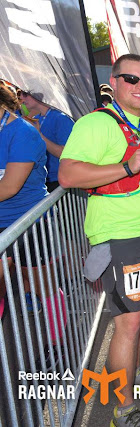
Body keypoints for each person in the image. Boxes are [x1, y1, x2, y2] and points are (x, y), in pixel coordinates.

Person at [59, 53, 140, 426]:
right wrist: (126, 166)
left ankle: (133, 371)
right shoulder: (97, 122)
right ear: (114, 82)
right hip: (121, 238)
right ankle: (122, 409)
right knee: (128, 321)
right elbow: (68, 175)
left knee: (139, 315)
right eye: (131, 79)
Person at [0, 85, 48, 314]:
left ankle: (58, 334)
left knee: (43, 288)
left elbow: (10, 187)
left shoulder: (23, 132)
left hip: (27, 222)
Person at [19, 89, 74, 192]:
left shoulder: (61, 118)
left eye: (25, 94)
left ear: (39, 94)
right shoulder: (37, 118)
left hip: (61, 183)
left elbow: (65, 153)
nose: (21, 97)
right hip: (45, 181)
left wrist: (39, 135)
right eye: (20, 94)